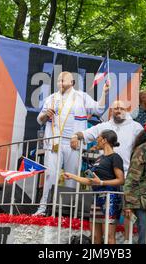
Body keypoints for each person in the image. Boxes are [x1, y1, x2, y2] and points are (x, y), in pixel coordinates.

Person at [34, 71, 109, 216]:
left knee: (72, 175)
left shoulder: (82, 96)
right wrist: (45, 115)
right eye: (59, 80)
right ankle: (43, 208)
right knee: (50, 175)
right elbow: (39, 119)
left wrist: (104, 94)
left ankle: (68, 210)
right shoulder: (51, 98)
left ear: (72, 82)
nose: (60, 82)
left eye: (64, 80)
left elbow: (98, 109)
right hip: (54, 142)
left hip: (73, 143)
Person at [63, 130, 124, 244]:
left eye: (98, 138)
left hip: (110, 198)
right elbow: (90, 181)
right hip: (96, 198)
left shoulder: (115, 157)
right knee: (95, 237)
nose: (97, 141)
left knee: (109, 237)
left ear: (104, 140)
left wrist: (101, 182)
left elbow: (121, 180)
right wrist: (72, 176)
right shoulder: (99, 159)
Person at [71, 100, 143, 176]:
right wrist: (75, 136)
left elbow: (145, 145)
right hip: (104, 171)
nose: (119, 111)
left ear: (126, 111)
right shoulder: (104, 126)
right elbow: (84, 134)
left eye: (122, 109)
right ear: (111, 111)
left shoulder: (136, 127)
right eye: (116, 108)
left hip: (125, 172)